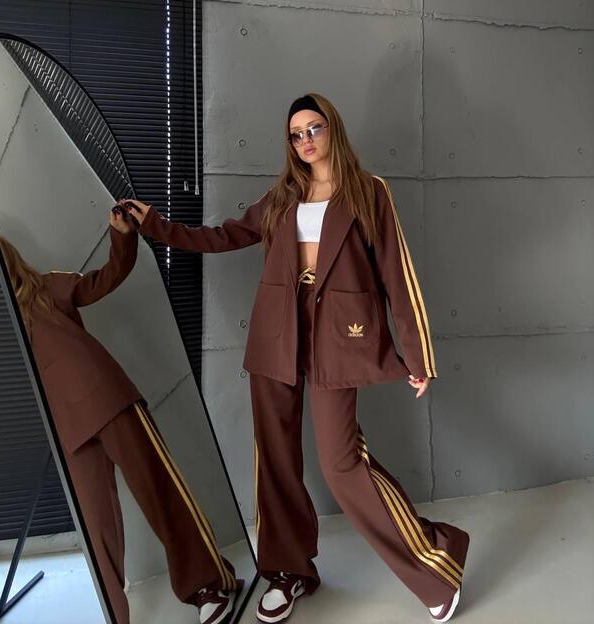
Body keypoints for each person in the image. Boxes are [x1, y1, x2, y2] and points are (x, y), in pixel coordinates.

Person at [123, 92, 470, 623]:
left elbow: (397, 274)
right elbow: (225, 236)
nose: (305, 140)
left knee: (341, 462)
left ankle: (434, 561)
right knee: (276, 458)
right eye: (295, 134)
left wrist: (418, 353)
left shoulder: (369, 191)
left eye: (314, 128)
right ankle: (288, 572)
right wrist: (157, 226)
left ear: (333, 128)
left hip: (340, 334)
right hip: (277, 332)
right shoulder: (282, 195)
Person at [0, 205, 243, 624]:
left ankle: (207, 585)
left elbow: (108, 277)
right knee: (96, 529)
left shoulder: (46, 289)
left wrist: (122, 235)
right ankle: (116, 614)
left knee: (159, 492)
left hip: (107, 399)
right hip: (66, 430)